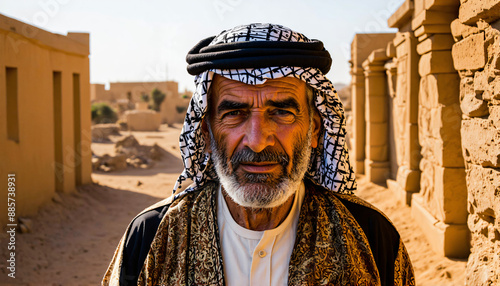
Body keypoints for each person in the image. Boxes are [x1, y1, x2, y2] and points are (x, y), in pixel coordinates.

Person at [102, 23, 415, 286]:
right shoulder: (150, 238)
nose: (257, 142)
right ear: (205, 133)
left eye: (281, 112)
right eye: (235, 113)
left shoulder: (371, 236)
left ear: (316, 130)